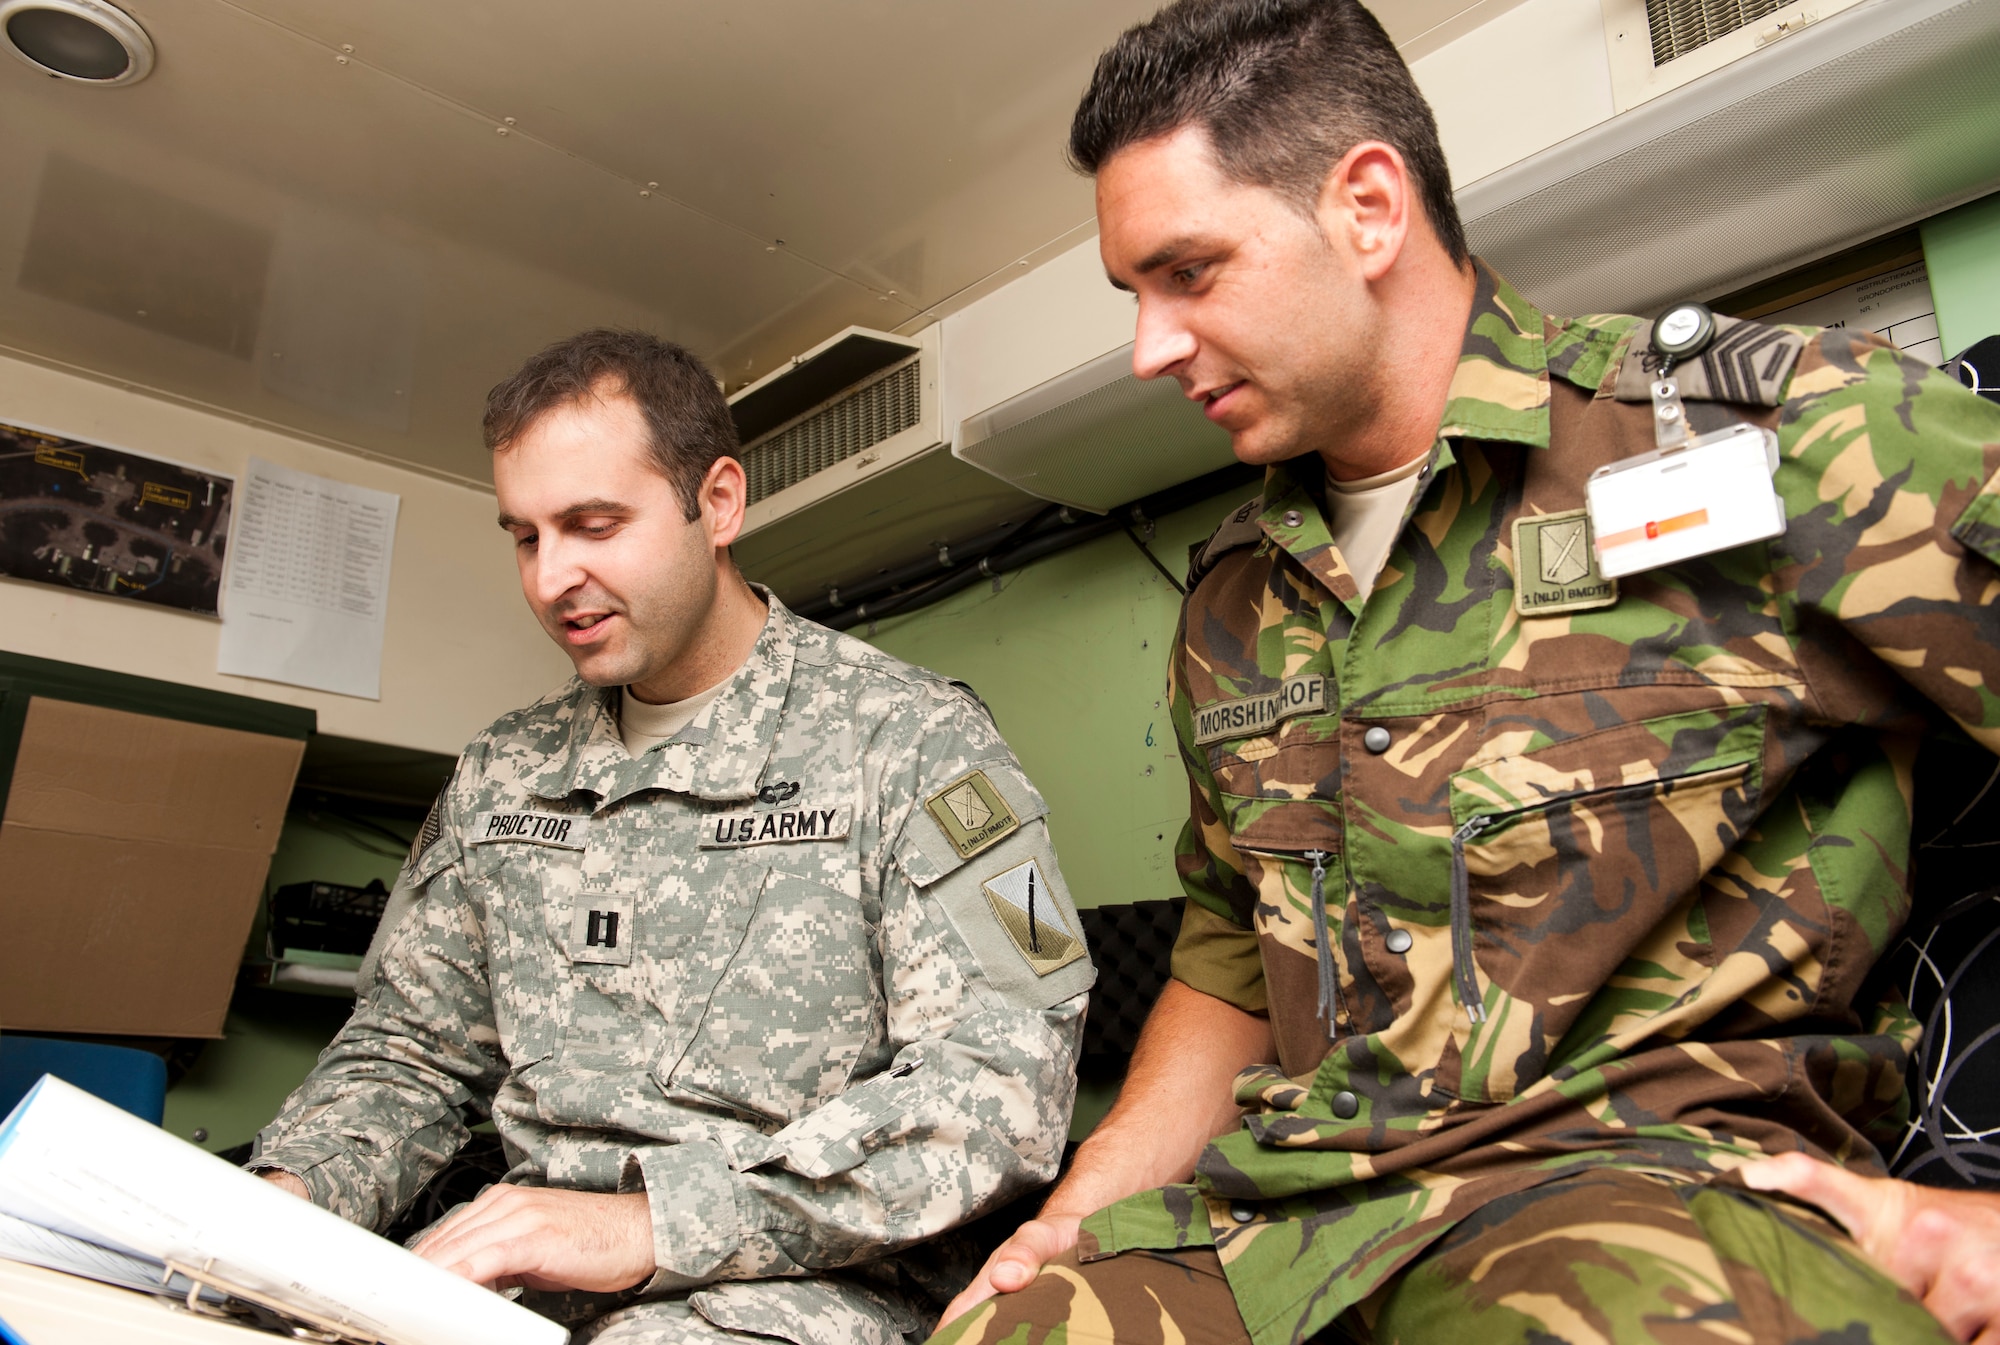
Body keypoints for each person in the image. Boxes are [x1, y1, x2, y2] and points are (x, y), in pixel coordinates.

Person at [932, 2, 2000, 1343]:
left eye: (1187, 273)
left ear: (1370, 209)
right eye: (1132, 296)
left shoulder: (1770, 440)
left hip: (1626, 1193)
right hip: (1298, 1216)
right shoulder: (1236, 605)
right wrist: (1070, 1226)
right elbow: (1224, 960)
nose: (1148, 347)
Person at [250, 329, 1095, 1344]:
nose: (552, 576)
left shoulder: (912, 741)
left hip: (812, 1289)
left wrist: (654, 1220)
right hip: (524, 1285)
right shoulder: (504, 771)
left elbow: (1001, 1081)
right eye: (525, 536)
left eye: (594, 525)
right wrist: (288, 1195)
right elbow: (408, 1051)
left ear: (720, 503)